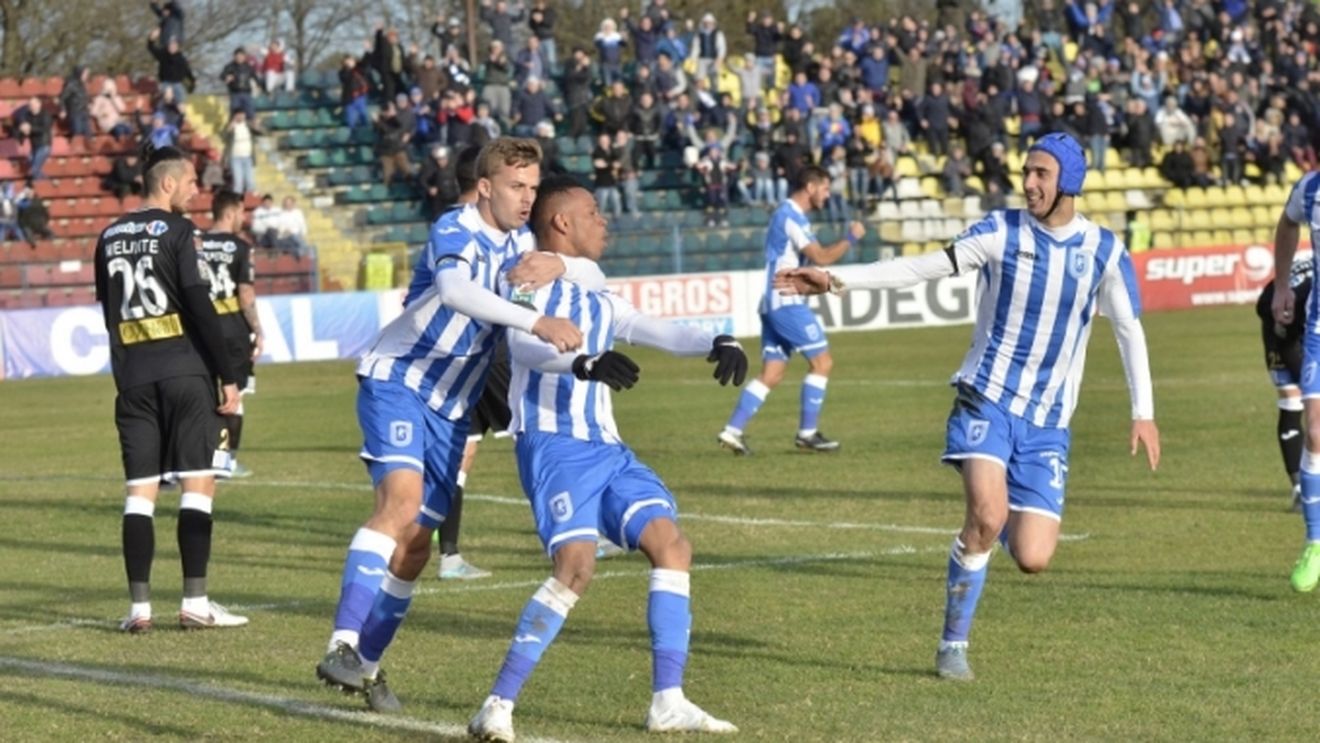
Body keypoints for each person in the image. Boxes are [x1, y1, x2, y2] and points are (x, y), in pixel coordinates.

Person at [775, 133, 1160, 680]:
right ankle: (952, 644)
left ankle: (992, 521)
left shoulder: (1103, 251)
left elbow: (1128, 329)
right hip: (986, 399)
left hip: (1048, 422)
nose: (1029, 183)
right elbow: (921, 268)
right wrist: (837, 279)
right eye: (1026, 172)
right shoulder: (1000, 232)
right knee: (986, 516)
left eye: (1042, 174)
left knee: (1033, 557)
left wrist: (1143, 411)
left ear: (1069, 182)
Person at [313, 137, 605, 711]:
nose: (527, 198)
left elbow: (593, 276)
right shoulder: (456, 228)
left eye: (532, 187)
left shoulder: (523, 242)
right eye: (516, 187)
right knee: (400, 504)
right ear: (485, 187)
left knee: (416, 548)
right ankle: (341, 643)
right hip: (400, 379)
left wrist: (562, 263)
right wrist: (535, 320)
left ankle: (365, 666)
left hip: (452, 407)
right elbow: (454, 291)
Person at [466, 176, 746, 742]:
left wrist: (715, 340)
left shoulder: (595, 292)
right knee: (576, 567)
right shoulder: (523, 276)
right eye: (593, 212)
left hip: (608, 447)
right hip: (554, 445)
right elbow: (523, 346)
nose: (604, 221)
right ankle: (496, 706)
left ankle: (668, 701)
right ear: (562, 222)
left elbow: (649, 327)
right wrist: (583, 364)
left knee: (671, 545)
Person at [93, 145, 248, 633]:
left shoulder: (108, 235)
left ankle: (139, 610)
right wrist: (227, 375)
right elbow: (200, 306)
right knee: (198, 484)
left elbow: (109, 312)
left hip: (133, 379)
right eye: (191, 182)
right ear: (167, 183)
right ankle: (194, 602)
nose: (196, 190)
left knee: (140, 494)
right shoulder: (181, 232)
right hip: (184, 373)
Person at [718, 166, 866, 455]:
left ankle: (731, 431)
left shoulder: (787, 215)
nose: (828, 195)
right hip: (786, 302)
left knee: (772, 373)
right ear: (810, 187)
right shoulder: (791, 217)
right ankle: (807, 433)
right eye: (825, 188)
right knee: (822, 363)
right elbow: (821, 256)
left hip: (773, 302)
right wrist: (851, 237)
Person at [1269, 170, 1320, 592]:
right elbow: (1287, 224)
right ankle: (1315, 543)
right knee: (1316, 431)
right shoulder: (1310, 188)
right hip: (1319, 330)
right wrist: (1282, 286)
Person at [199, 191, 263, 479]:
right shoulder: (240, 247)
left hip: (200, 330)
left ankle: (199, 459)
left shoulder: (195, 243)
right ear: (230, 212)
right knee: (234, 397)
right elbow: (245, 294)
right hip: (232, 331)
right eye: (241, 212)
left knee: (204, 396)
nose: (243, 218)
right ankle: (226, 463)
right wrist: (258, 330)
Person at [1257, 257, 1312, 513]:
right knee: (1293, 399)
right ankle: (1299, 489)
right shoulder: (1298, 301)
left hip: (1308, 327)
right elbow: (1288, 344)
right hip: (1279, 328)